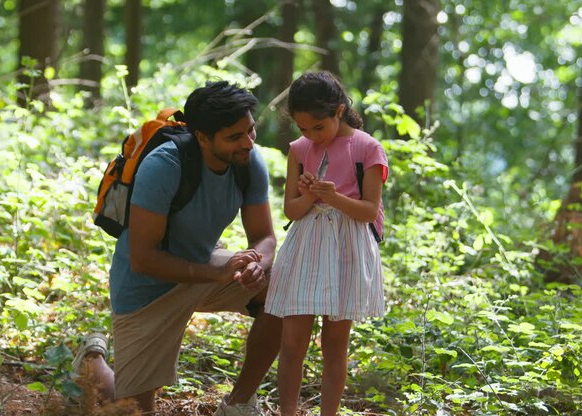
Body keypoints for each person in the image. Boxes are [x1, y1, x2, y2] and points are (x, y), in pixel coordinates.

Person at [73, 80, 280, 415]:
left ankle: (238, 404)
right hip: (148, 287)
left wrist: (259, 261)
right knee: (134, 410)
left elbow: (264, 235)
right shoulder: (165, 166)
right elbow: (143, 259)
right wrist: (217, 272)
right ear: (202, 137)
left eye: (251, 131)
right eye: (234, 137)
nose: (247, 142)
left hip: (205, 269)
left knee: (285, 285)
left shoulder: (247, 160)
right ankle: (92, 361)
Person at [265, 71, 388, 416]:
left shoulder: (367, 148)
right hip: (306, 244)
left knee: (335, 346)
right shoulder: (299, 150)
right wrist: (308, 195)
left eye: (318, 128)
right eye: (303, 129)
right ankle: (287, 411)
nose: (310, 136)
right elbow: (291, 209)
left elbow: (367, 212)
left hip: (347, 245)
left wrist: (333, 198)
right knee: (291, 343)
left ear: (338, 111)